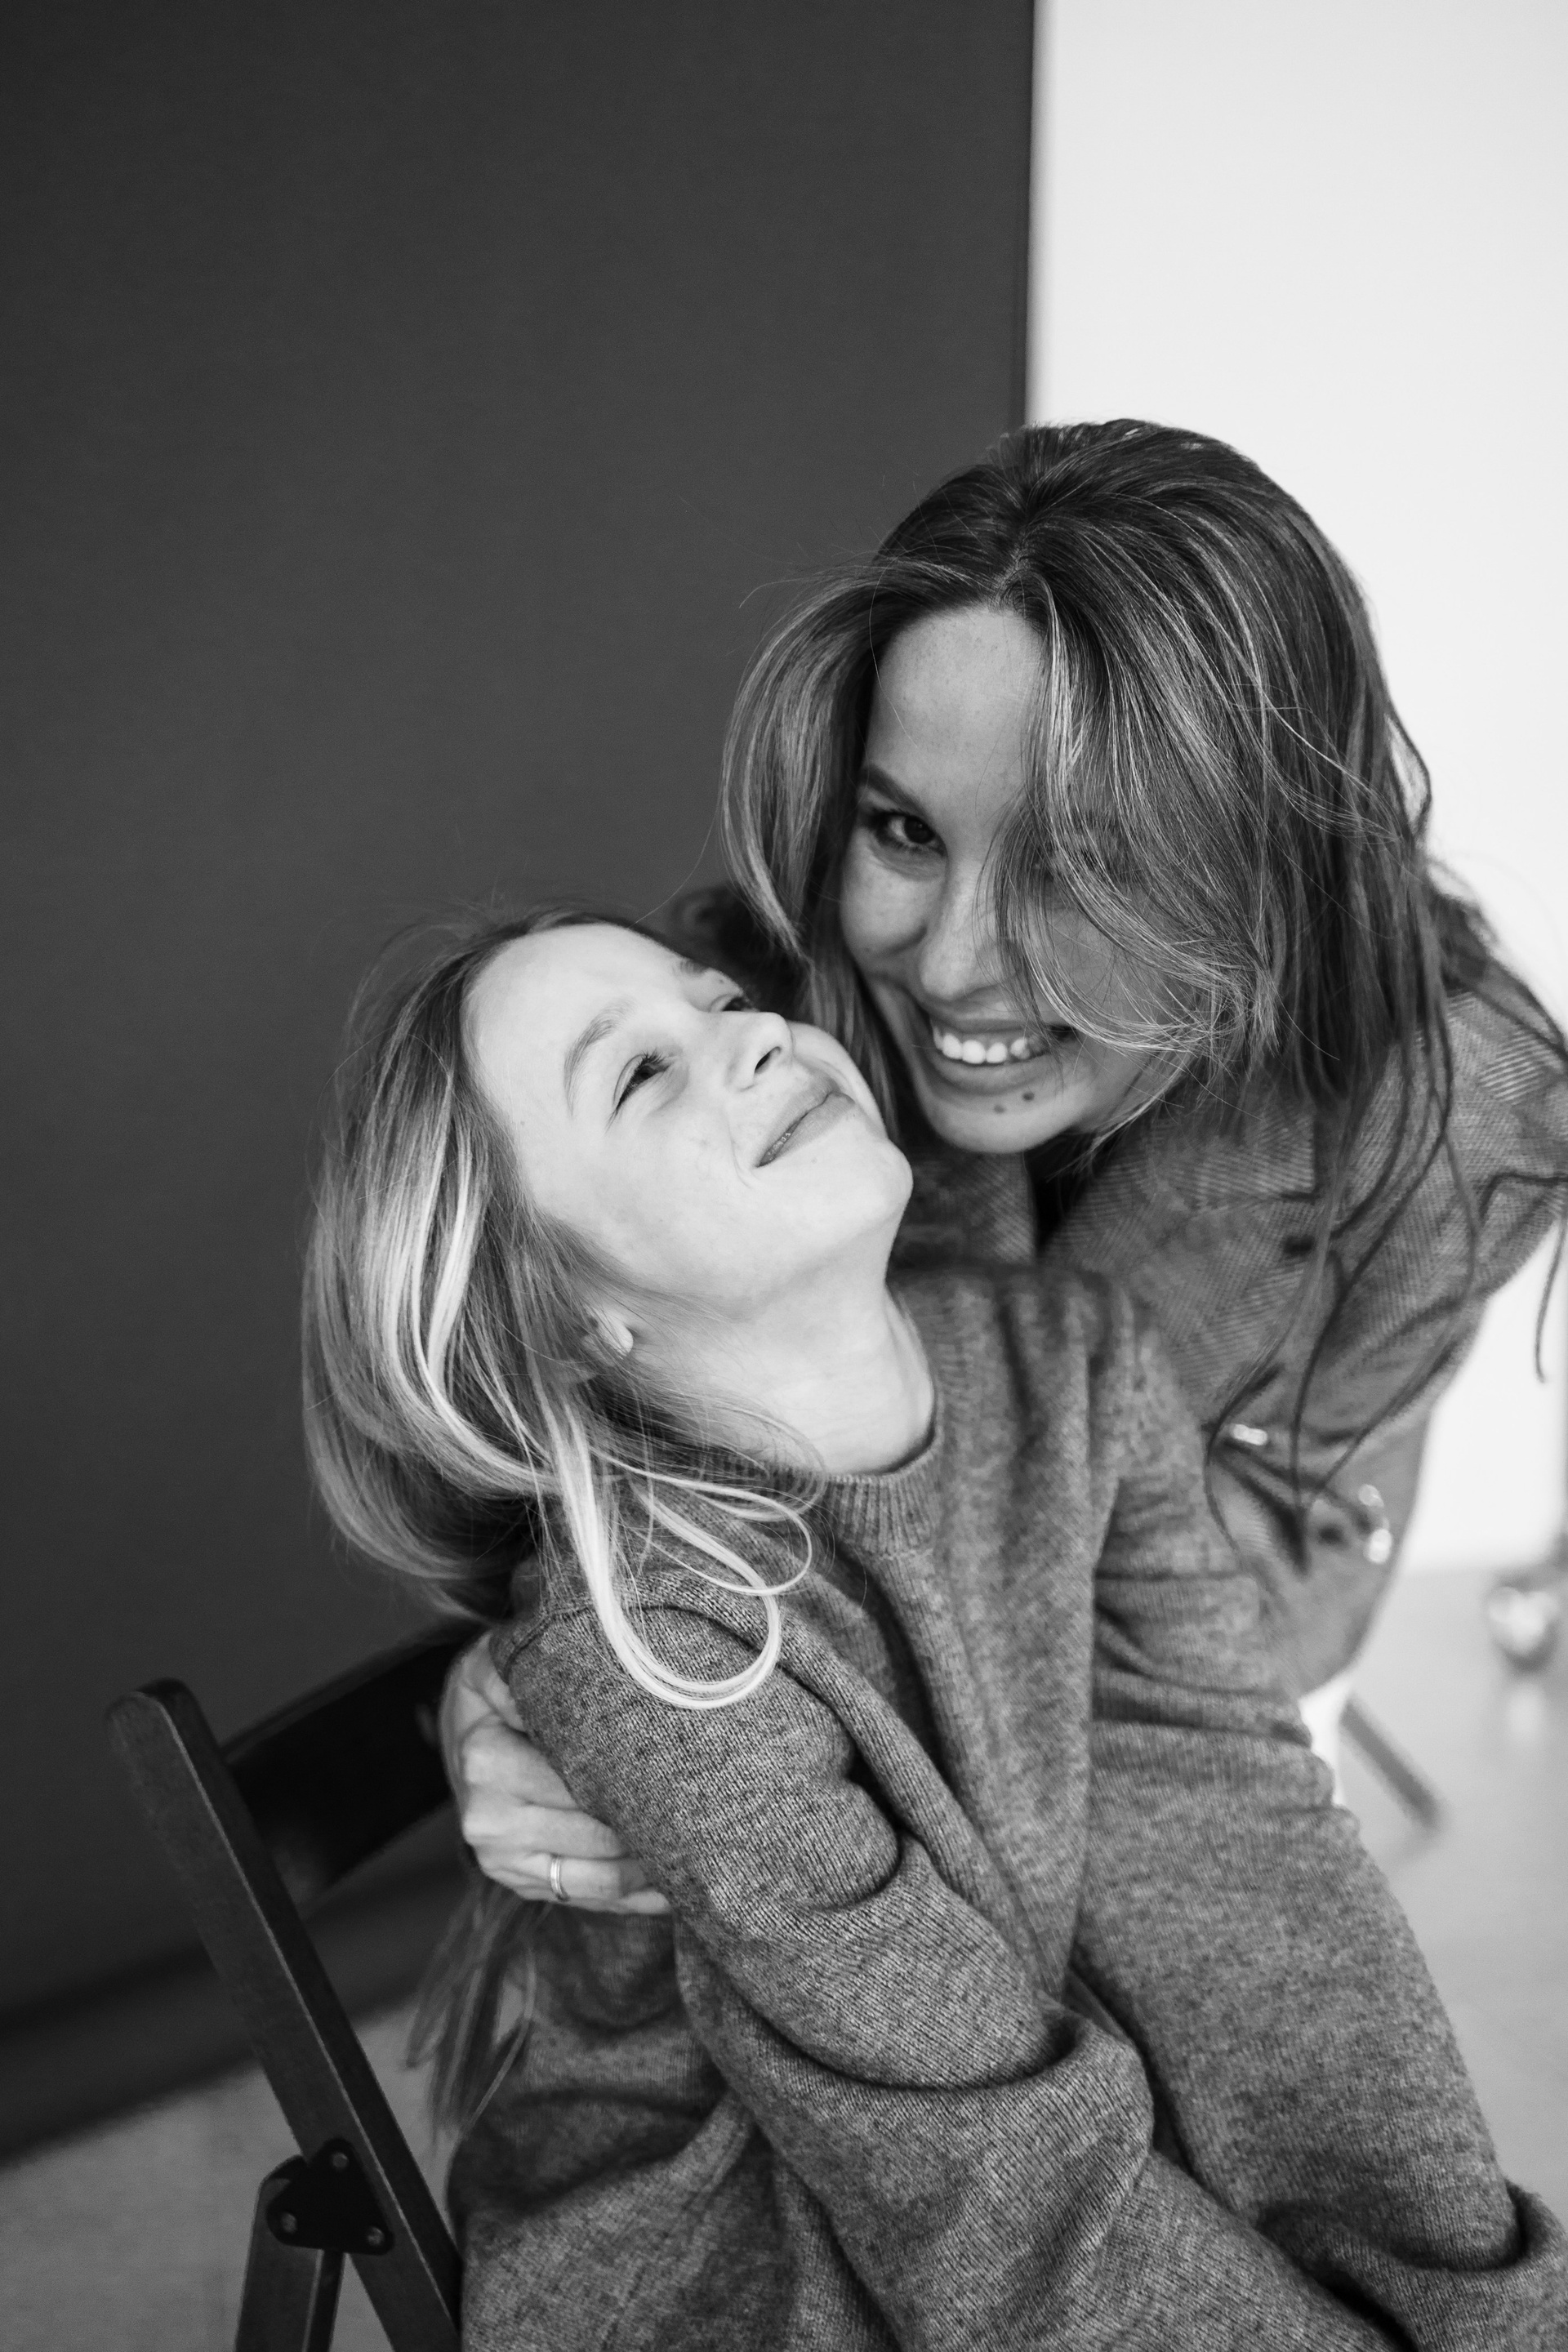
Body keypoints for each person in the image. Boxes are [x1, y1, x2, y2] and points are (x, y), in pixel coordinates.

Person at [303, 911, 1564, 2349]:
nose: (752, 1031)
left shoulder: (1075, 1360)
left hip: (1006, 2127)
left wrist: (1463, 2291)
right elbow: (973, 2164)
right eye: (640, 1074)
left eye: (718, 1001)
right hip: (726, 2257)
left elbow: (1239, 1841)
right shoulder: (650, 1641)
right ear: (572, 1315)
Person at [443, 421, 1568, 1918]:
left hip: (1193, 1742)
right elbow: (530, 1432)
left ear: (1269, 862)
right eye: (905, 830)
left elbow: (1276, 1596)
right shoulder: (743, 1003)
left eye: (1075, 866)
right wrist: (508, 1669)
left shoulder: (1461, 1113)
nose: (952, 963)